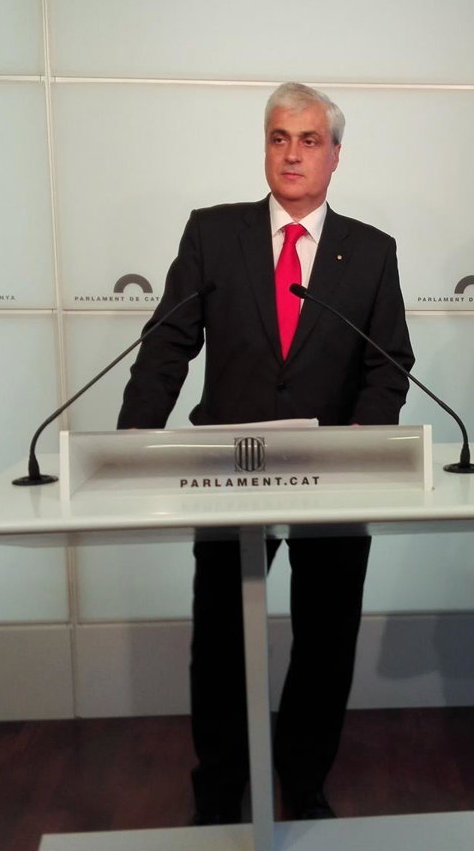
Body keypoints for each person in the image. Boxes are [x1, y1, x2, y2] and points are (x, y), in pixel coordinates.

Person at [117, 82, 414, 825]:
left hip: (334, 475)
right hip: (230, 470)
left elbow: (388, 364)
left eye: (309, 140)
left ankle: (303, 779)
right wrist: (129, 446)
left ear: (335, 155)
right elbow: (168, 344)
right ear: (265, 148)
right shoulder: (214, 234)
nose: (292, 154)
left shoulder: (371, 251)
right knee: (221, 638)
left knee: (326, 636)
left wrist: (366, 438)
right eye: (279, 138)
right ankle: (220, 787)